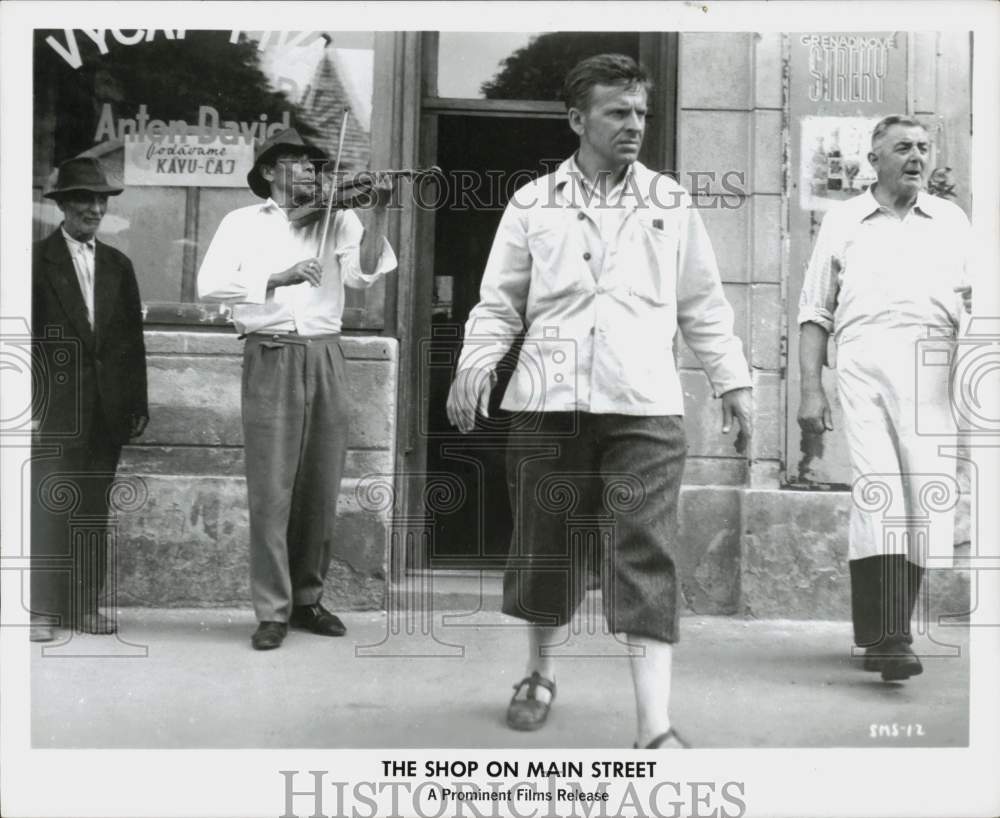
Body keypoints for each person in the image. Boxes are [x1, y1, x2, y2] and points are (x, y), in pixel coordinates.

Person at [446, 54, 752, 748]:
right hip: (547, 402)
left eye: (641, 112)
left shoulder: (669, 203)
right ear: (578, 119)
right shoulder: (533, 203)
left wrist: (734, 383)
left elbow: (703, 305)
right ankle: (538, 673)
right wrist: (476, 365)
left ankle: (654, 727)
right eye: (619, 112)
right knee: (545, 548)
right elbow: (498, 303)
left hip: (643, 402)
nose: (635, 125)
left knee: (644, 552)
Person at [197, 128, 397, 650]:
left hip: (325, 352)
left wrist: (378, 214)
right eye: (297, 162)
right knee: (271, 491)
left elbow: (364, 274)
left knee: (319, 485)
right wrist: (277, 276)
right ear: (268, 171)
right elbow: (209, 284)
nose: (311, 171)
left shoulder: (338, 215)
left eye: (315, 164)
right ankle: (272, 610)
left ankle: (308, 599)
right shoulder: (240, 222)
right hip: (270, 353)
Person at [798, 115, 973, 682]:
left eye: (924, 147)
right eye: (903, 148)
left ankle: (892, 630)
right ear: (874, 160)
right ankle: (888, 637)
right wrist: (809, 390)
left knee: (927, 502)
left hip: (934, 368)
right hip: (864, 364)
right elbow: (814, 311)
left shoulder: (951, 220)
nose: (916, 157)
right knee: (879, 497)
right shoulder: (843, 221)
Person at [30, 156, 149, 642]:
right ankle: (41, 610)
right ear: (63, 205)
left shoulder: (119, 266)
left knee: (93, 509)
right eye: (84, 199)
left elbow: (130, 344)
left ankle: (83, 606)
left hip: (106, 411)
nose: (94, 209)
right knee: (49, 505)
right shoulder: (34, 262)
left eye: (100, 200)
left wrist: (136, 405)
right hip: (54, 409)